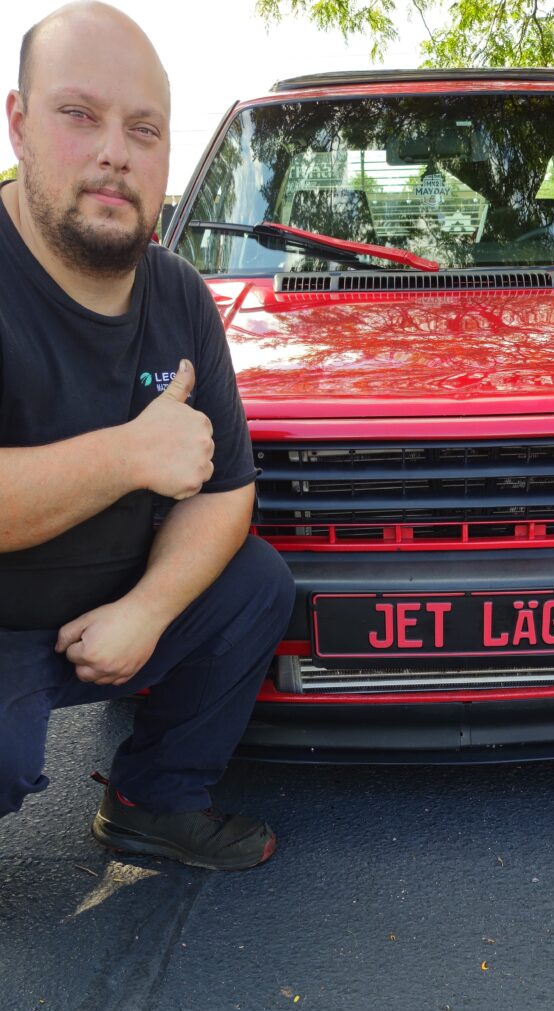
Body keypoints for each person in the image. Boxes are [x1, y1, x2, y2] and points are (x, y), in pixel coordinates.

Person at [0, 1, 296, 870]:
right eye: (79, 115)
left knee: (256, 583)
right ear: (17, 121)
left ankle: (153, 802)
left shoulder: (180, 297)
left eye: (144, 129)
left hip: (119, 604)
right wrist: (129, 454)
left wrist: (148, 609)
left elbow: (228, 492)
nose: (114, 152)